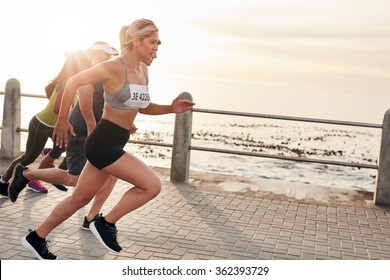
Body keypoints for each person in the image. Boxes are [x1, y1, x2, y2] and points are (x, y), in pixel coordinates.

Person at [18, 18, 195, 260]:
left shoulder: (143, 70)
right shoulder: (113, 67)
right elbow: (73, 81)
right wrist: (62, 118)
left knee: (78, 199)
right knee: (152, 185)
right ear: (136, 41)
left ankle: (36, 237)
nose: (156, 48)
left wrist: (170, 109)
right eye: (153, 42)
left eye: (158, 43)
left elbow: (142, 106)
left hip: (115, 141)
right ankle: (105, 223)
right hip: (103, 142)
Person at [1, 41, 119, 201]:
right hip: (42, 125)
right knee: (28, 158)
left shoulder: (86, 78)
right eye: (105, 55)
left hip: (60, 125)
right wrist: (68, 116)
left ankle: (52, 172)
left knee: (64, 150)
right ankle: (9, 179)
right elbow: (58, 108)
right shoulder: (74, 80)